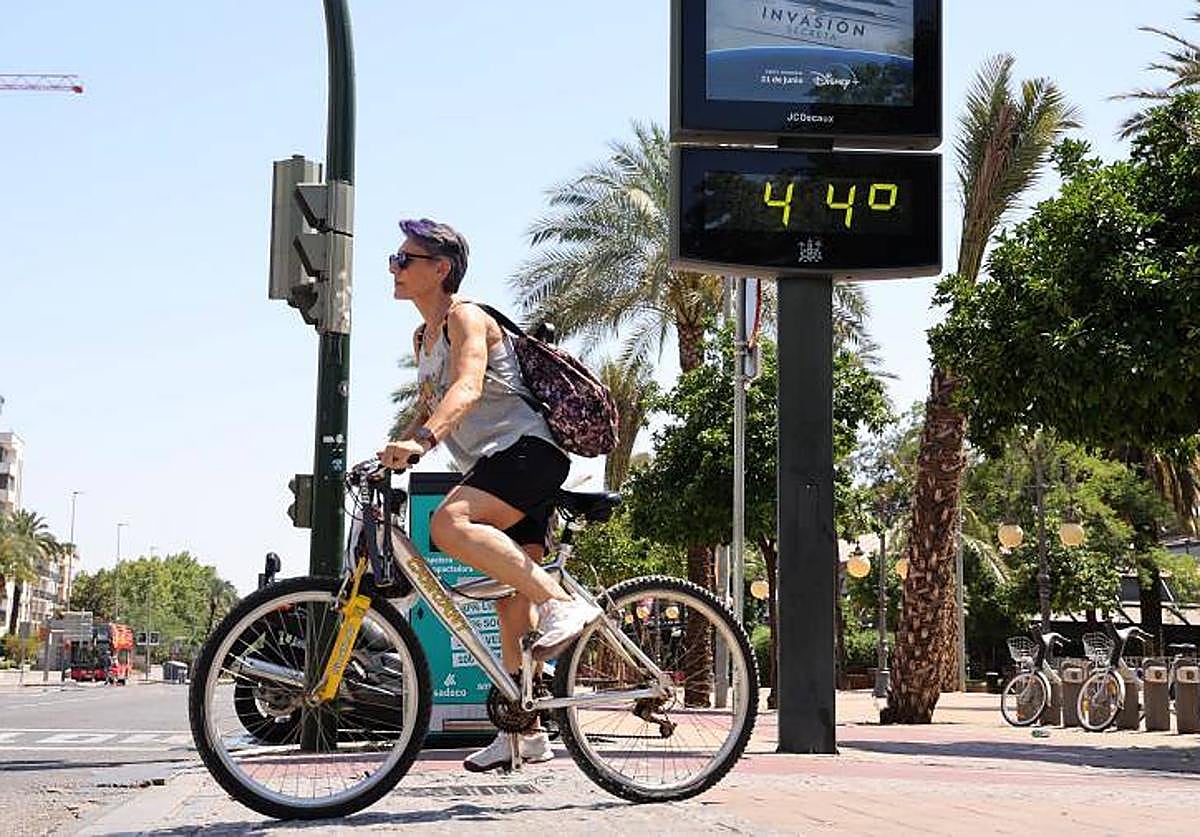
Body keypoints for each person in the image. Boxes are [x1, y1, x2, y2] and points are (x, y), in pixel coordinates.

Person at [378, 218, 602, 772]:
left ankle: (564, 603)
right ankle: (525, 732)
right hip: (498, 465)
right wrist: (391, 448)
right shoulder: (422, 338)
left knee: (448, 524)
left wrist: (423, 443)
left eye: (405, 259)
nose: (394, 267)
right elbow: (430, 407)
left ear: (440, 269)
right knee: (509, 602)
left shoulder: (466, 317)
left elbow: (467, 387)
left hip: (527, 455)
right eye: (394, 258)